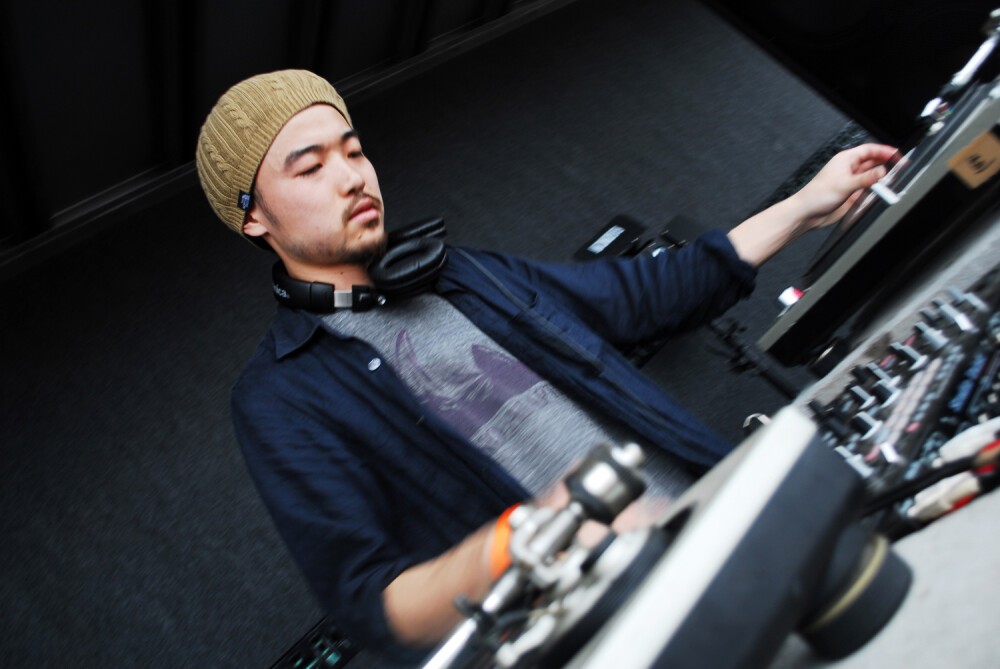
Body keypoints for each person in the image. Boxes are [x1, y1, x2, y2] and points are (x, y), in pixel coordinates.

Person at [195, 69, 896, 662]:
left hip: (734, 529)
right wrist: (531, 533)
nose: (352, 177)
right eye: (311, 167)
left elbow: (644, 295)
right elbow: (374, 605)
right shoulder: (280, 397)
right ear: (253, 217)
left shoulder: (464, 273)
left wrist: (805, 205)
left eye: (354, 151)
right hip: (624, 636)